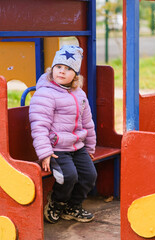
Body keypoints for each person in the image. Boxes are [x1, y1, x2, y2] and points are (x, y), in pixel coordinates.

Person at [29, 45, 97, 224]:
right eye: (58, 67)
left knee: (89, 176)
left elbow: (88, 123)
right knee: (68, 176)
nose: (62, 71)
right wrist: (44, 153)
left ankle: (72, 207)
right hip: (56, 148)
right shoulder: (45, 93)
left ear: (75, 75)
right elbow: (39, 125)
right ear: (52, 69)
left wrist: (90, 147)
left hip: (77, 145)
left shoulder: (79, 94)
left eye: (68, 69)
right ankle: (56, 202)